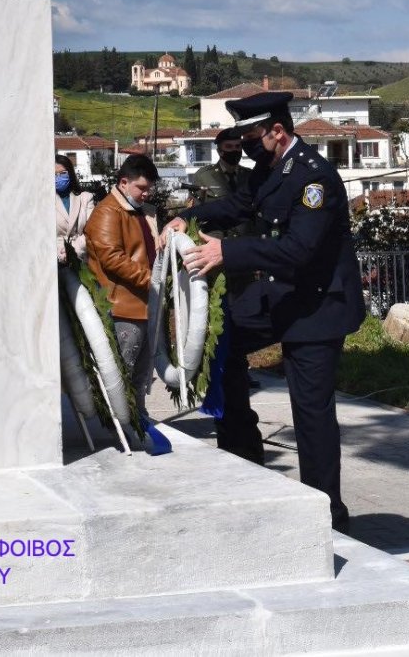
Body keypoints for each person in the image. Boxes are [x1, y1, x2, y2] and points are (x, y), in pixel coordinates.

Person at [162, 93, 365, 531]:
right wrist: (188, 217)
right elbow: (237, 206)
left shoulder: (315, 180)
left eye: (252, 137)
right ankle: (243, 453)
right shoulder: (270, 170)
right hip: (280, 296)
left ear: (278, 131)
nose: (247, 147)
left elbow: (298, 250)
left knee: (310, 413)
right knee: (222, 339)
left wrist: (226, 252)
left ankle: (327, 516)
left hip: (317, 305)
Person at [83, 155, 160, 423]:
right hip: (123, 306)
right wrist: (152, 280)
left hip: (143, 303)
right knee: (122, 370)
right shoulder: (107, 212)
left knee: (141, 371)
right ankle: (120, 421)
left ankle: (137, 417)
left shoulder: (141, 210)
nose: (146, 193)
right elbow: (112, 258)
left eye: (149, 188)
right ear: (123, 182)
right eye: (141, 187)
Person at [55, 155, 95, 262]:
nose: (58, 177)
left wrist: (72, 250)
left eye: (63, 173)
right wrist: (59, 252)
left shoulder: (86, 198)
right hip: (55, 259)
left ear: (70, 174)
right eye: (54, 175)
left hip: (81, 257)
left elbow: (92, 231)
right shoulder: (43, 202)